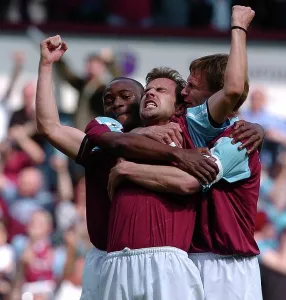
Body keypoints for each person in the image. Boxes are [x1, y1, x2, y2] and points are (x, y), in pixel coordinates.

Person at [36, 35, 227, 300]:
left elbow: (224, 105)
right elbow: (50, 127)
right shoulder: (101, 136)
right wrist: (46, 65)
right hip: (106, 258)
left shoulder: (185, 132)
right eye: (108, 99)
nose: (115, 103)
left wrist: (250, 127)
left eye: (126, 96)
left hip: (165, 258)